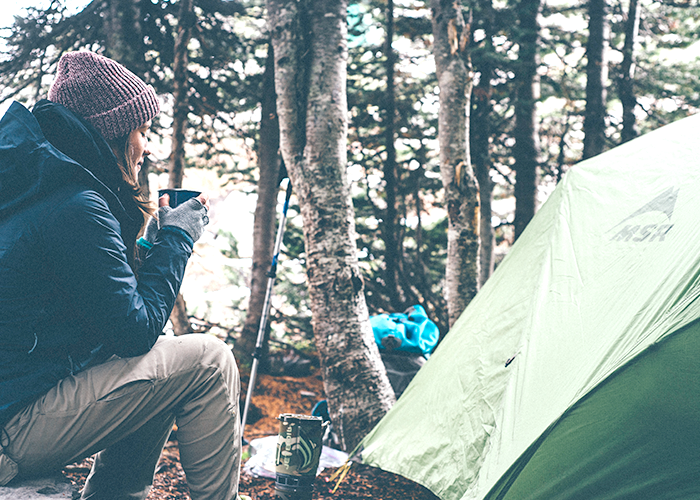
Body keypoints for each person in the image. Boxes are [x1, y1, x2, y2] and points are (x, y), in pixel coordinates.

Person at [0, 51, 241, 499]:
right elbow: (132, 334)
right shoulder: (77, 205)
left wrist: (147, 248)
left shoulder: (39, 185)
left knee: (165, 354)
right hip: (12, 428)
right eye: (142, 131)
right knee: (209, 360)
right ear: (112, 132)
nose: (147, 147)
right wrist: (178, 239)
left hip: (14, 400)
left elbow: (103, 316)